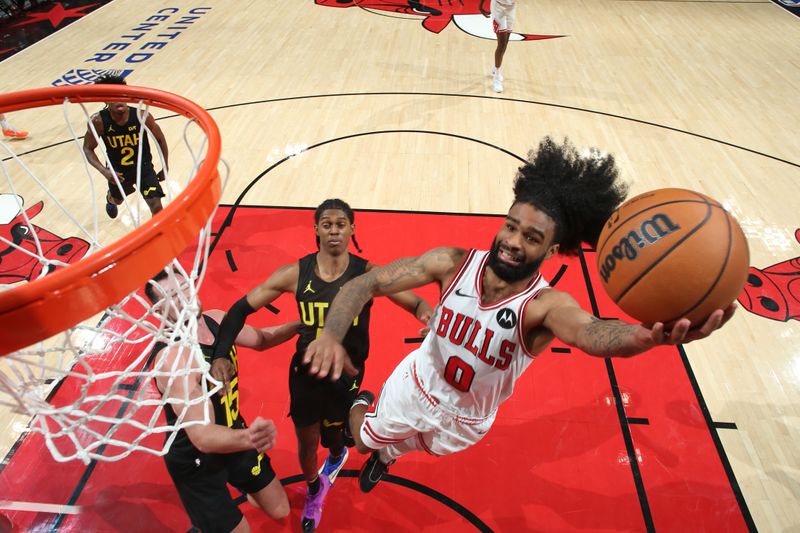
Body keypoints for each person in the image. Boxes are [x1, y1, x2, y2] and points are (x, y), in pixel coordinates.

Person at [303, 136, 737, 493]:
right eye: (510, 226)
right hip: (415, 386)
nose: (512, 241)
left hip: (468, 420)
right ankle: (364, 407)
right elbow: (365, 283)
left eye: (530, 237)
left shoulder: (543, 305)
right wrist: (330, 335)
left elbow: (591, 333)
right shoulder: (451, 262)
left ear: (550, 250)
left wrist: (648, 337)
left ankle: (388, 455)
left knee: (408, 447)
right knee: (361, 439)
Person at [211, 198, 433, 533]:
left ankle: (340, 443)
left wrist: (427, 316)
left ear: (351, 229)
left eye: (340, 224)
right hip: (306, 375)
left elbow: (414, 300)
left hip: (346, 377)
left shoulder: (368, 274)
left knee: (337, 440)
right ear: (316, 229)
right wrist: (219, 355)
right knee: (306, 444)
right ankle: (315, 488)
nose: (333, 231)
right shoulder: (295, 274)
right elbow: (239, 310)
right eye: (326, 224)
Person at [145, 268, 299, 533]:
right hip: (196, 460)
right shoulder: (175, 359)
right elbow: (203, 437)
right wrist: (251, 438)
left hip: (233, 434)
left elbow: (261, 339)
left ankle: (238, 480)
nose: (184, 297)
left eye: (184, 287)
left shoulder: (216, 320)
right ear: (160, 311)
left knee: (280, 508)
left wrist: (301, 326)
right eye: (173, 296)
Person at [82, 74, 168, 220]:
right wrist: (105, 172)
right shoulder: (98, 121)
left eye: (122, 96)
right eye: (114, 97)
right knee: (118, 200)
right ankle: (110, 199)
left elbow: (160, 139)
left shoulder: (142, 116)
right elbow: (87, 148)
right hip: (117, 171)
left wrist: (165, 166)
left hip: (144, 167)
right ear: (105, 100)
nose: (119, 100)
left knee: (157, 207)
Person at [481, 0, 516, 93]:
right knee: (501, 44)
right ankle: (496, 76)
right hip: (498, 7)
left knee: (505, 43)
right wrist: (481, 5)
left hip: (511, 7)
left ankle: (495, 68)